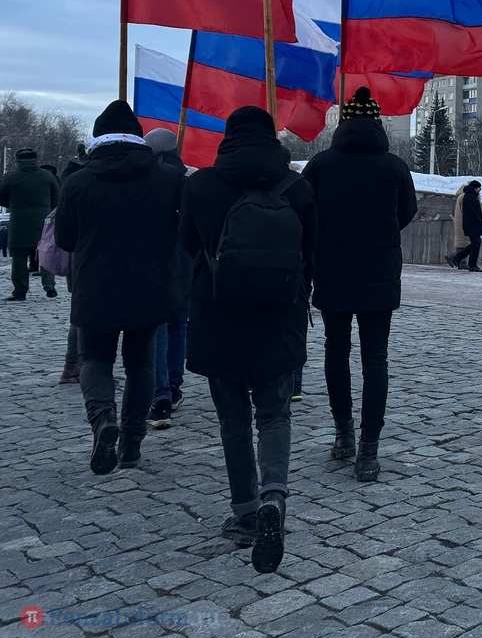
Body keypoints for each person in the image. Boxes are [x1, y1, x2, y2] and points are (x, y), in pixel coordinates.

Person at [181, 106, 315, 574]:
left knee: (233, 420)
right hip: (280, 318)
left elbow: (187, 245)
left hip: (218, 316)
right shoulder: (298, 188)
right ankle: (273, 497)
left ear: (228, 138)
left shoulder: (200, 185)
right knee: (275, 415)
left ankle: (245, 513)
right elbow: (310, 252)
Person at [53, 102, 186, 475]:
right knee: (141, 363)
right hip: (150, 283)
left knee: (94, 359)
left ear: (98, 139)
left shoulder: (78, 181)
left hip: (95, 285)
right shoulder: (168, 178)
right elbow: (184, 229)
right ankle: (130, 443)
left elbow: (65, 239)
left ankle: (103, 419)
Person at [302, 87, 417, 482]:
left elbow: (305, 214)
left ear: (343, 124)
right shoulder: (394, 166)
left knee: (336, 351)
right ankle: (369, 451)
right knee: (375, 359)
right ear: (378, 124)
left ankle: (343, 434)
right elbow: (406, 212)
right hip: (378, 274)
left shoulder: (320, 165)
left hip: (331, 270)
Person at [143, 129, 190, 429]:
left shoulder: (146, 180)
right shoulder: (185, 179)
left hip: (156, 262)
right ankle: (173, 384)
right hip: (183, 263)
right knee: (178, 326)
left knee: (159, 329)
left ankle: (160, 394)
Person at [0, 148, 60, 300]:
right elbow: (56, 196)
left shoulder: (11, 177)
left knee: (19, 258)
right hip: (43, 220)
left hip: (19, 221)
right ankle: (49, 285)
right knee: (45, 253)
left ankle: (20, 290)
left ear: (17, 160)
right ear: (35, 159)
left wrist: (14, 205)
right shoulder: (47, 176)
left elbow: (2, 198)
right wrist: (46, 207)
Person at [56, 145, 88, 382]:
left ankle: (73, 364)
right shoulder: (83, 181)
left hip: (79, 257)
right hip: (86, 257)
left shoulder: (71, 179)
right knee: (82, 314)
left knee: (80, 312)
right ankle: (77, 363)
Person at [447, 181, 482, 271]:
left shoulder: (469, 196)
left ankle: (457, 258)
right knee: (475, 244)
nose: (480, 189)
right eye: (479, 187)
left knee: (475, 244)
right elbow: (473, 212)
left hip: (471, 224)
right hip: (472, 225)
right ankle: (470, 264)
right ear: (475, 187)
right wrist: (479, 223)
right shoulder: (469, 197)